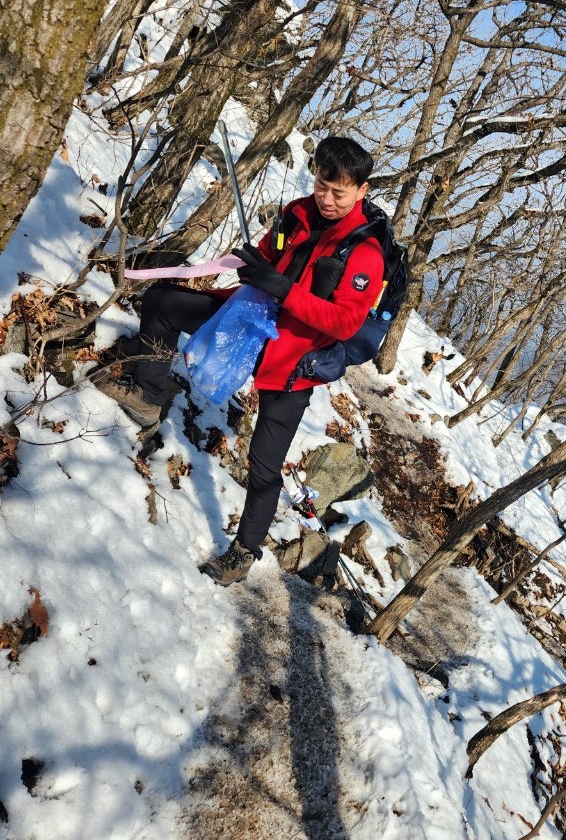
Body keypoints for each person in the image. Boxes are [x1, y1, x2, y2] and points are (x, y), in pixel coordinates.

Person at [95, 136, 385, 585]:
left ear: (362, 190)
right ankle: (149, 394)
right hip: (248, 319)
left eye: (339, 193)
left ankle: (244, 552)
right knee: (162, 301)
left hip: (293, 361)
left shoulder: (365, 253)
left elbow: (345, 323)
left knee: (266, 466)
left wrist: (285, 290)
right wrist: (255, 264)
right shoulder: (299, 211)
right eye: (322, 186)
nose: (326, 200)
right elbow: (271, 252)